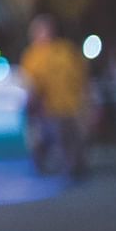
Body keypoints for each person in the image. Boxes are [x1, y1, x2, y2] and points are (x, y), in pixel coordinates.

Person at [20, 13, 89, 178]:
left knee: (73, 137)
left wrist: (85, 96)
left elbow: (80, 74)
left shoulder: (65, 50)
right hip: (47, 108)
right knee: (48, 139)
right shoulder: (31, 56)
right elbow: (30, 83)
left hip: (70, 104)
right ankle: (45, 167)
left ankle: (75, 168)